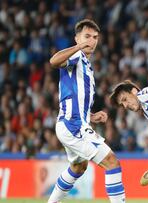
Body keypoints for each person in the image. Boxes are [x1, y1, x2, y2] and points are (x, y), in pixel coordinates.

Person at [48, 19, 125, 203]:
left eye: (95, 37)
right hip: (72, 124)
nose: (91, 41)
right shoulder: (76, 56)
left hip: (73, 122)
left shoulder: (87, 67)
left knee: (78, 167)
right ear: (77, 38)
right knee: (112, 162)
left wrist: (91, 116)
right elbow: (53, 61)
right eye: (87, 36)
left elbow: (73, 99)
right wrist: (78, 47)